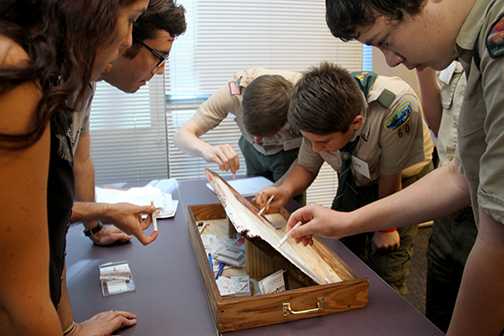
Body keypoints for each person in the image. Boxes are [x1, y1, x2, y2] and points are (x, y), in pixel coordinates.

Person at [285, 0, 504, 334]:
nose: (391, 60)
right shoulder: (476, 48)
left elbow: (497, 240)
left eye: (384, 39)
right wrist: (345, 222)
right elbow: (461, 175)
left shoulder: (495, 41)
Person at [0, 0, 152, 334]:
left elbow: (46, 237)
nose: (127, 40)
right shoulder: (14, 72)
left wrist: (70, 328)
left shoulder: (46, 73)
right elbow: (21, 304)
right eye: (130, 19)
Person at [256, 61, 433, 297]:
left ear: (356, 123)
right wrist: (285, 190)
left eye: (325, 142)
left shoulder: (395, 107)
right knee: (341, 255)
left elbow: (391, 178)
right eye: (311, 141)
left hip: (400, 186)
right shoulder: (317, 110)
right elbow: (306, 165)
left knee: (386, 266)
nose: (317, 149)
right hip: (355, 179)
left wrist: (386, 227)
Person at [70, 0, 187, 246]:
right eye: (159, 57)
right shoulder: (56, 85)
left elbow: (80, 160)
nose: (160, 71)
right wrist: (104, 212)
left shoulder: (87, 86)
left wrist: (95, 229)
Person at [173, 67, 306, 205]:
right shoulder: (233, 94)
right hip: (251, 151)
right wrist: (206, 150)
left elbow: (308, 161)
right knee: (253, 202)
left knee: (288, 206)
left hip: (290, 154)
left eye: (264, 135)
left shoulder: (305, 102)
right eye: (252, 132)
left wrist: (282, 189)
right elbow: (180, 135)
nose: (257, 140)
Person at [417, 62, 478, 333]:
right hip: (447, 204)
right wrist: (422, 69)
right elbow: (441, 125)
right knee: (438, 309)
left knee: (479, 310)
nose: (394, 60)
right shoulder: (453, 61)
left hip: (484, 209)